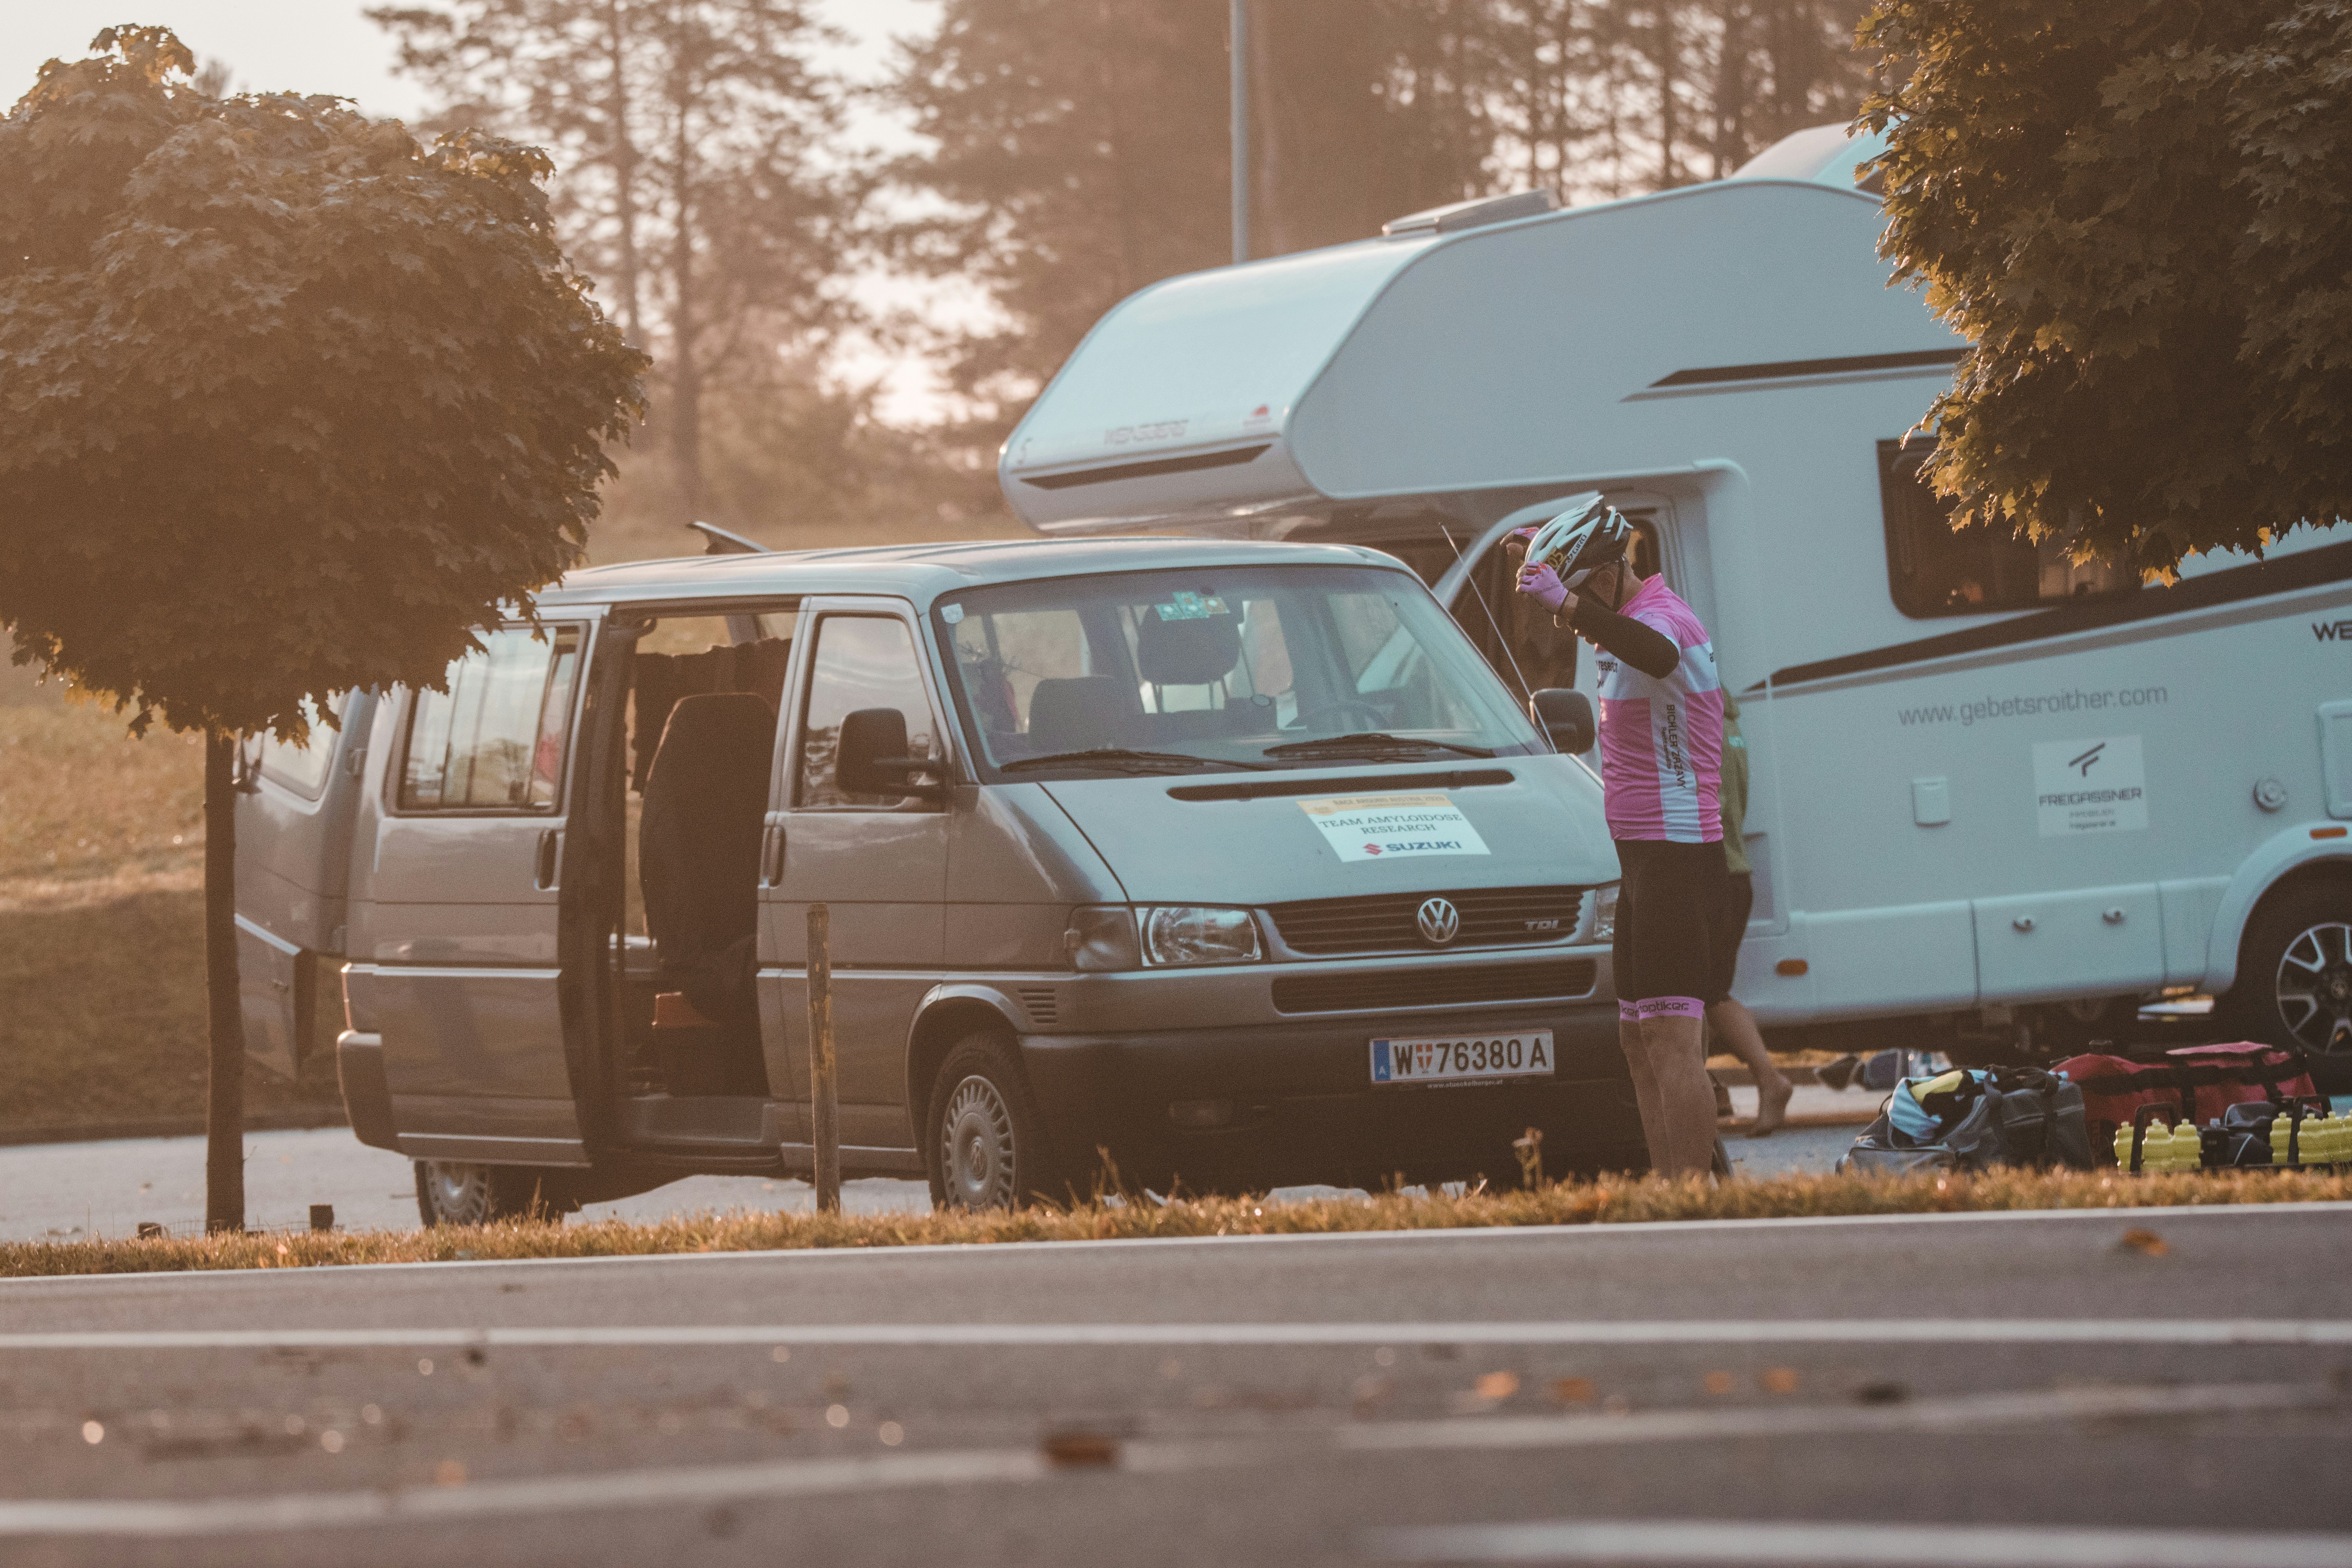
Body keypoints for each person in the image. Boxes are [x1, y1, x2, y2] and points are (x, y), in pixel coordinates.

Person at [1514, 496, 1726, 1177]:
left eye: (1576, 594)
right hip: (1638, 857)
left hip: (1678, 854)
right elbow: (1617, 632)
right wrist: (1547, 556)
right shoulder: (1620, 617)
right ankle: (1669, 1195)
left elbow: (1657, 654)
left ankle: (1695, 1201)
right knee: (1636, 1041)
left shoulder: (1665, 620)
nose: (1567, 618)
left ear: (1607, 575)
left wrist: (1571, 603)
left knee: (1672, 1040)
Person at [1706, 691, 1796, 1136]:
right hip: (1734, 872)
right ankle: (1713, 1087)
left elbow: (1713, 803)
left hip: (1715, 874)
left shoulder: (1704, 725)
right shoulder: (1732, 724)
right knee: (1703, 991)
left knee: (1707, 993)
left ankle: (1770, 1079)